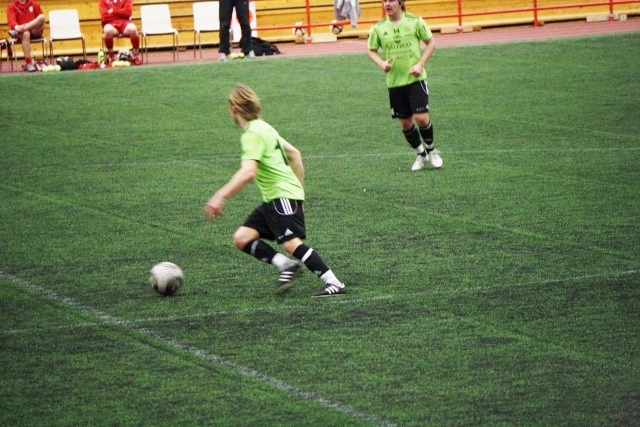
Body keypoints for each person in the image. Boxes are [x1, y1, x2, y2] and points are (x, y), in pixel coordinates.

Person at [205, 85, 346, 298]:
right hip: (276, 197)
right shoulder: (264, 127)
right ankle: (287, 266)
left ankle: (334, 283)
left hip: (281, 195)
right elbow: (295, 154)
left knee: (291, 243)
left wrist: (220, 196)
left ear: (233, 108)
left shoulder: (252, 134)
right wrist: (299, 193)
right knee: (242, 238)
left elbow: (248, 172)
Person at [368, 0, 443, 171]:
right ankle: (421, 154)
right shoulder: (378, 28)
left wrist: (420, 64)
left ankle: (432, 150)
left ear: (400, 3)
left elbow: (431, 43)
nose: (387, 4)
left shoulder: (415, 21)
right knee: (405, 123)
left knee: (421, 118)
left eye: (391, 0)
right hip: (395, 82)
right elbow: (371, 51)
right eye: (384, 1)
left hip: (416, 79)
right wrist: (381, 63)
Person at [6, 0, 45, 72]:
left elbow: (40, 20)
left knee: (42, 17)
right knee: (26, 33)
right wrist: (16, 27)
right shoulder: (12, 6)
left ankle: (23, 29)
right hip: (22, 34)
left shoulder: (34, 4)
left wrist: (25, 27)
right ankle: (29, 63)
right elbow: (11, 21)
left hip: (34, 31)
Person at [99, 0, 142, 65]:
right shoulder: (103, 1)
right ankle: (111, 56)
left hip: (125, 23)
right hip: (111, 23)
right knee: (107, 30)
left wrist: (113, 10)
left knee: (133, 29)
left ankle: (136, 55)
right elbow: (104, 16)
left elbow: (128, 13)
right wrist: (121, 12)